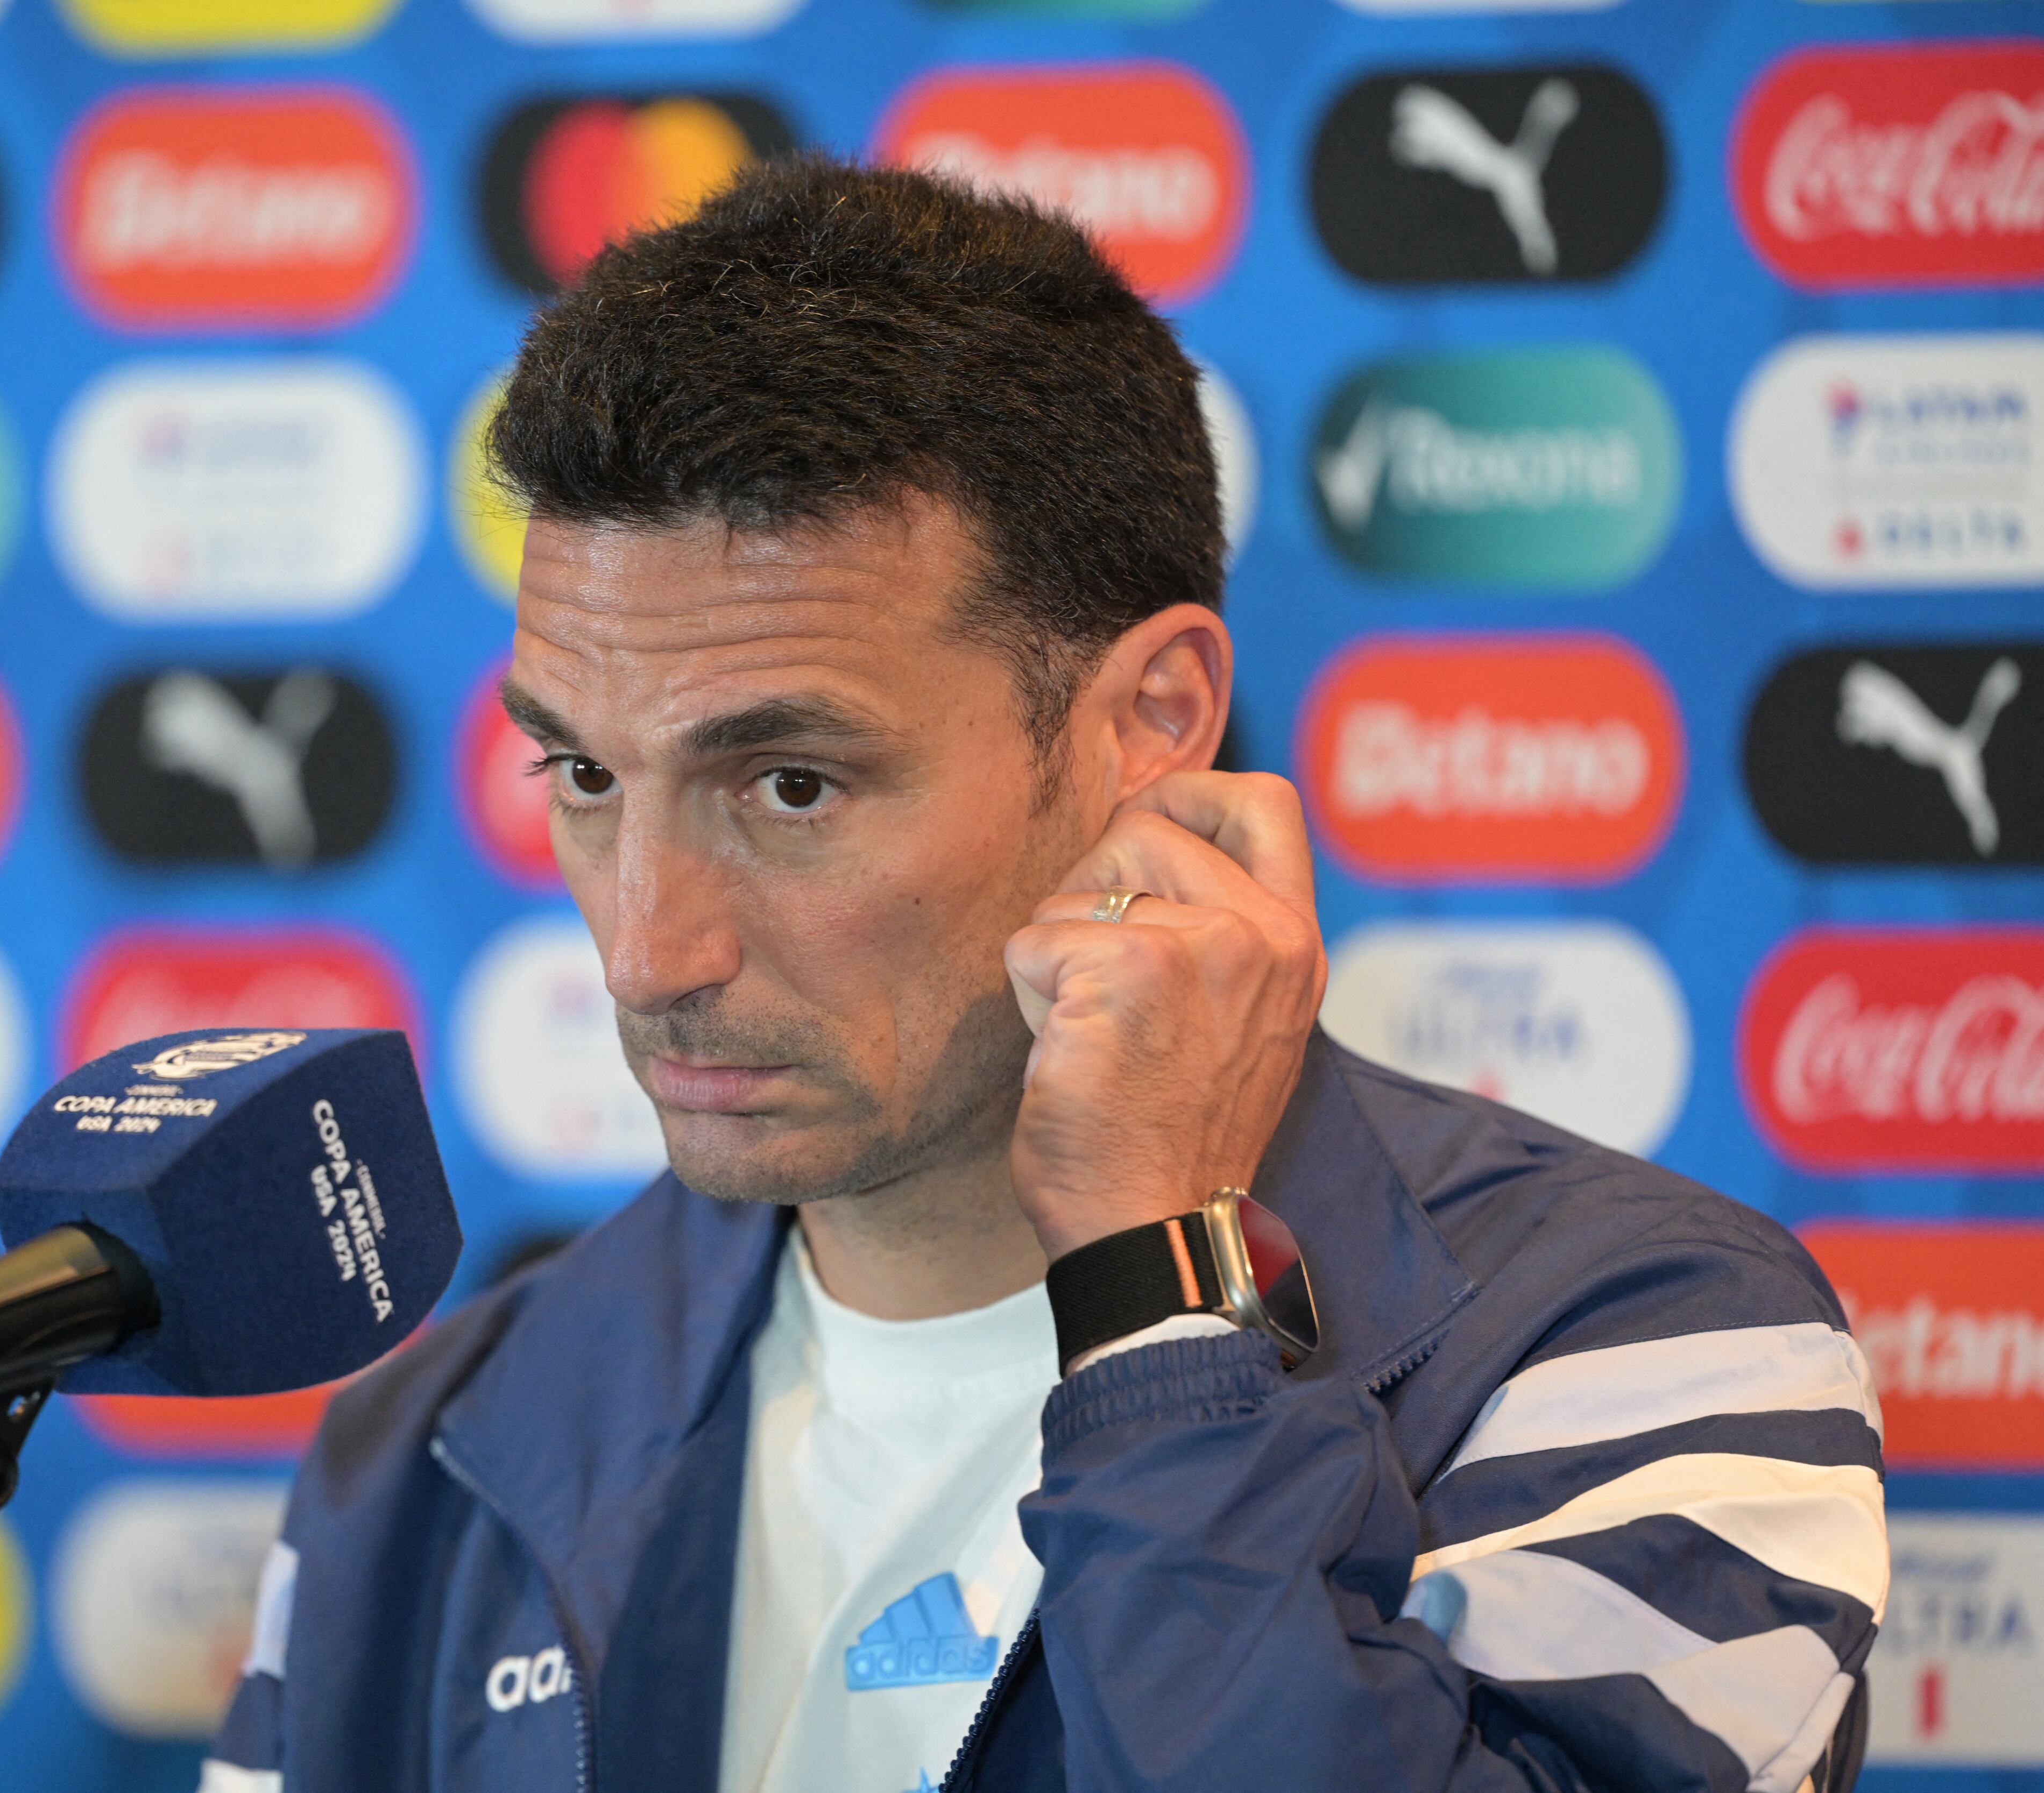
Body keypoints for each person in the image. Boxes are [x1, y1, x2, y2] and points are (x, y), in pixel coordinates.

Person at [200, 157, 1885, 1793]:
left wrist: (1163, 1298)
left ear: (1150, 724)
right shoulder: (432, 1447)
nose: (648, 951)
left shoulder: (1640, 1348)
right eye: (583, 776)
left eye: (793, 785)